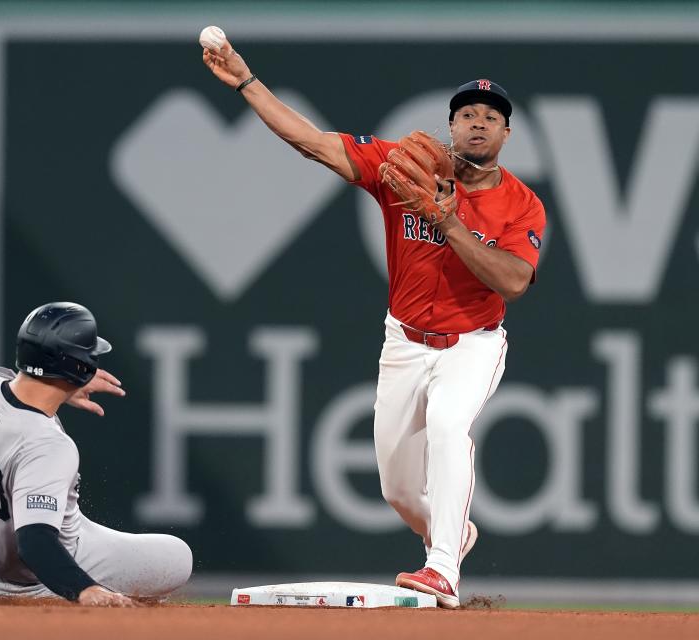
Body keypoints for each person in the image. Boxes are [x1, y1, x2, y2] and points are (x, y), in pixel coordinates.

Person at [203, 41, 545, 609]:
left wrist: (449, 221)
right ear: (451, 127)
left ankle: (442, 570)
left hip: (472, 344)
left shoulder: (522, 205)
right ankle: (451, 534)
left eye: (491, 117)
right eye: (467, 114)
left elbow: (511, 282)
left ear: (507, 134)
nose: (478, 123)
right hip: (404, 341)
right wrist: (247, 83)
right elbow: (312, 142)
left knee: (447, 423)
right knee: (398, 488)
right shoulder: (402, 169)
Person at [0, 302, 193, 606]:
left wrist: (59, 387)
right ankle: (53, 595)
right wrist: (86, 590)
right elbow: (35, 543)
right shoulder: (48, 446)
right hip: (33, 578)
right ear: (79, 369)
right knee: (178, 558)